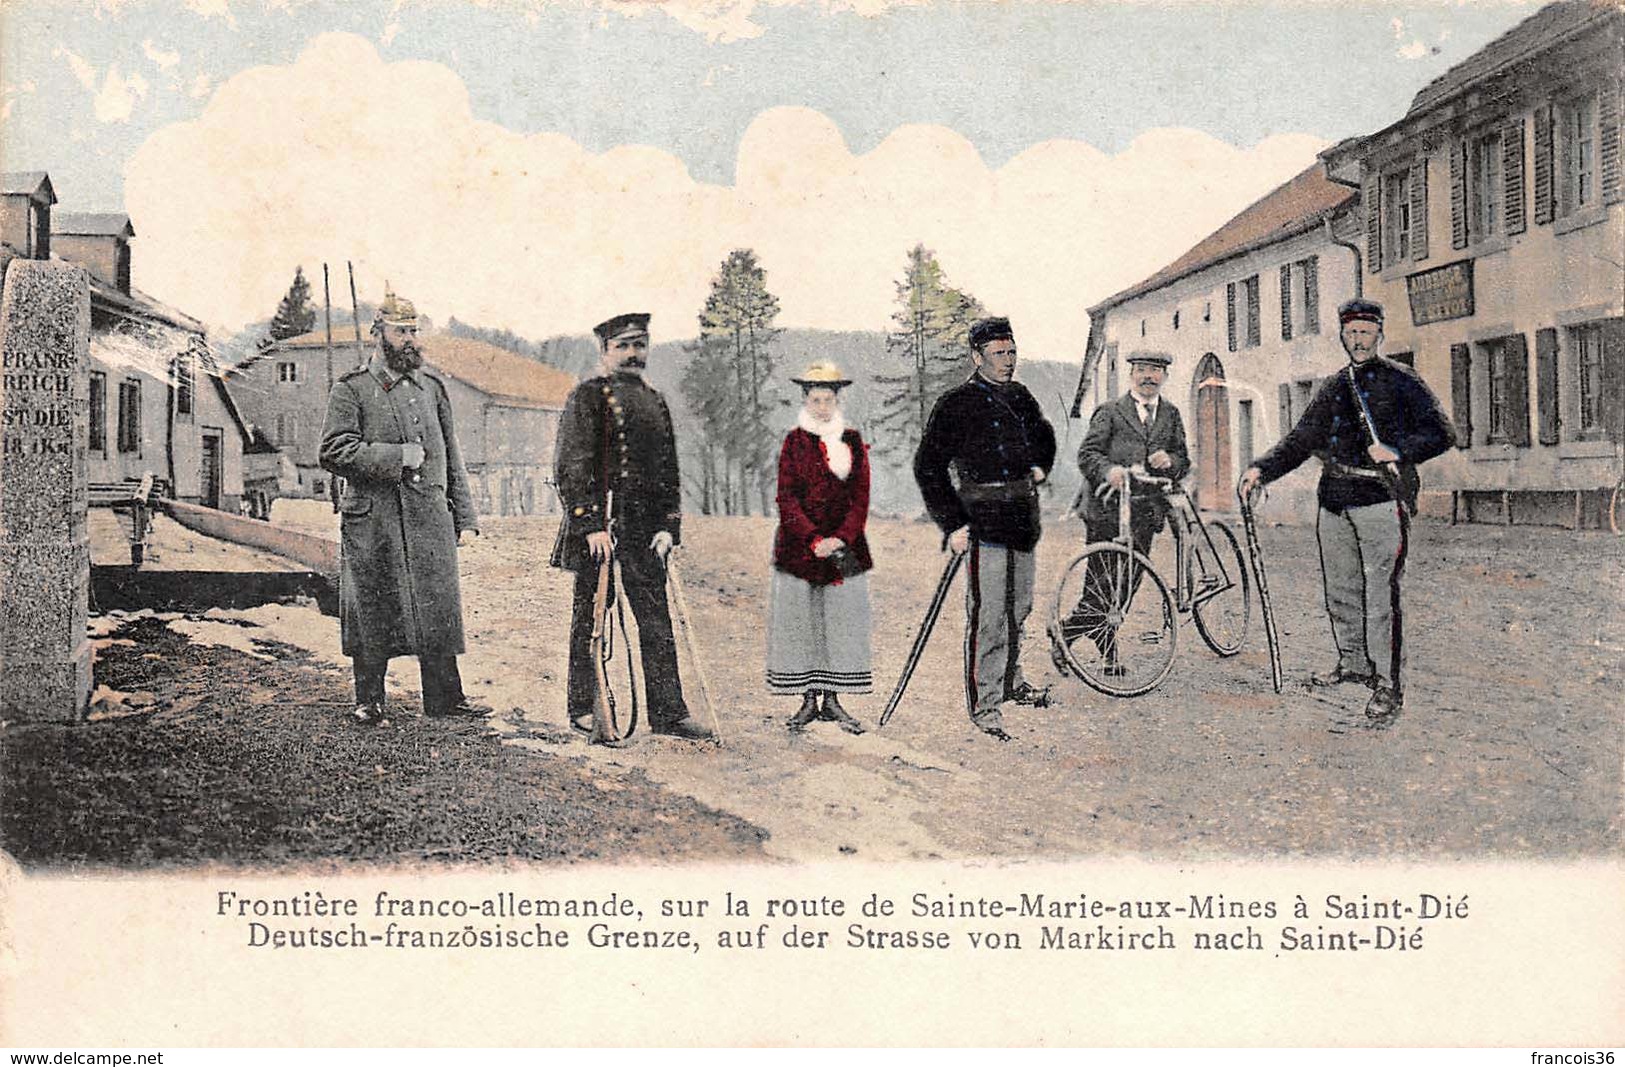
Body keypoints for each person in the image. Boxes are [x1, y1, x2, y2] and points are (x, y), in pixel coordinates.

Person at [1239, 298, 1455, 722]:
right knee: (1340, 591)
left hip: (1379, 499)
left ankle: (1389, 686)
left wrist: (1397, 450)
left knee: (1381, 597)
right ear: (1342, 336)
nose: (1358, 340)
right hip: (1334, 501)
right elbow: (1301, 440)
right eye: (1351, 333)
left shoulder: (1403, 381)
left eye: (1366, 332)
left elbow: (1441, 433)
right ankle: (1354, 663)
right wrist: (1261, 470)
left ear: (1380, 335)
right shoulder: (1336, 386)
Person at [318, 288, 485, 725]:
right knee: (373, 606)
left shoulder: (432, 388)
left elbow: (451, 455)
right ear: (379, 333)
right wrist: (396, 457)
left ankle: (446, 698)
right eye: (400, 331)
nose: (409, 339)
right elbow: (334, 450)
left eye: (414, 330)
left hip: (430, 518)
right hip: (374, 520)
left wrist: (464, 517)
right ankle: (369, 698)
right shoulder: (351, 389)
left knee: (436, 604)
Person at [550, 312, 714, 741]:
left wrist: (668, 527)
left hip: (645, 531)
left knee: (656, 620)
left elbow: (668, 471)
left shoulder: (655, 400)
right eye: (622, 345)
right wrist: (588, 526)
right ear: (604, 351)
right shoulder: (586, 397)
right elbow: (570, 466)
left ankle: (669, 713)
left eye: (639, 344)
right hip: (600, 527)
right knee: (591, 619)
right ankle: (584, 708)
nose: (632, 353)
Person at [914, 316, 1057, 741]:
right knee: (989, 617)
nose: (1008, 361)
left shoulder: (1022, 396)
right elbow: (928, 468)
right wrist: (952, 523)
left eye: (1012, 352)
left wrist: (1039, 465)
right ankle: (986, 705)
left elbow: (1044, 435)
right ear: (977, 357)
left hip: (1022, 520)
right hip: (982, 522)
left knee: (1020, 610)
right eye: (999, 354)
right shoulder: (954, 404)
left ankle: (1013, 682)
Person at [1063, 350, 1191, 671]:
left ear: (1165, 376)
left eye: (1156, 370)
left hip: (1146, 510)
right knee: (1102, 580)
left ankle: (1096, 640)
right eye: (1143, 369)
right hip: (1107, 508)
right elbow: (1088, 454)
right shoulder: (1110, 412)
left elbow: (1183, 459)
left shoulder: (1170, 414)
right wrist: (1109, 472)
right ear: (1131, 374)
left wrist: (1171, 462)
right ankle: (1066, 635)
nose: (1149, 376)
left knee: (1129, 582)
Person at [767, 361, 873, 734]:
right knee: (803, 623)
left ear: (837, 399)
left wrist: (840, 538)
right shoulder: (794, 441)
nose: (822, 407)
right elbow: (786, 498)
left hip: (843, 549)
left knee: (839, 623)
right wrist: (813, 538)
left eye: (828, 400)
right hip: (800, 549)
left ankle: (833, 700)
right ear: (805, 400)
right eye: (816, 400)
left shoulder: (853, 440)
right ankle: (807, 701)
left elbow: (860, 497)